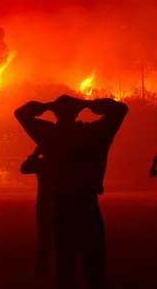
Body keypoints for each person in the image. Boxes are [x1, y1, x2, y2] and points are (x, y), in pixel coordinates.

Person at [15, 95, 128, 289]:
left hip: (62, 208)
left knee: (65, 268)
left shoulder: (49, 136)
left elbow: (21, 113)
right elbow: (120, 109)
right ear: (77, 112)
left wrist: (48, 105)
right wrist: (86, 104)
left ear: (57, 113)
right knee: (94, 268)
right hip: (88, 206)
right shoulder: (95, 134)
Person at [21, 146, 52, 275]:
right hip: (61, 203)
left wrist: (34, 154)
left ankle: (41, 268)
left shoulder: (42, 164)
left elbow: (24, 169)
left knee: (45, 237)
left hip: (45, 204)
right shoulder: (61, 161)